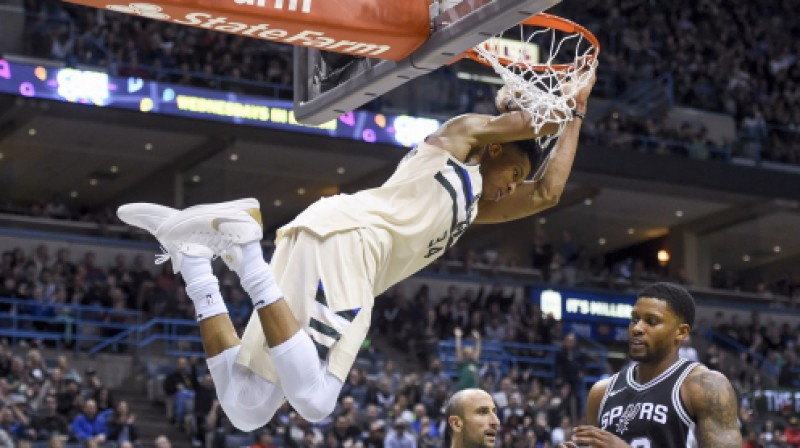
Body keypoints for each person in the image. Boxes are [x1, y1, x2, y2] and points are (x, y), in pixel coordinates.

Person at [116, 67, 596, 429]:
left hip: (322, 239)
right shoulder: (457, 138)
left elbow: (546, 194)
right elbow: (526, 126)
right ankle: (244, 250)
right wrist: (558, 102)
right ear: (496, 148)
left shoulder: (470, 206)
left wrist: (576, 115)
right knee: (316, 401)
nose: (512, 189)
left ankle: (197, 265)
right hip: (350, 249)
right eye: (514, 174)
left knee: (246, 409)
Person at [559, 282, 741, 448]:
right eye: (634, 319)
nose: (637, 328)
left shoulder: (706, 386)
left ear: (681, 332)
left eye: (651, 321)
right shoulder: (601, 392)